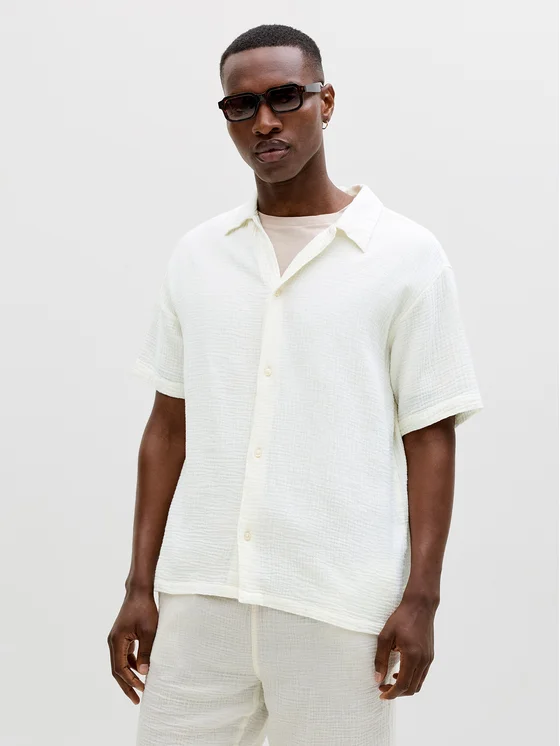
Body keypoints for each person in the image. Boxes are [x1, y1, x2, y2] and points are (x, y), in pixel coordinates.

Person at [107, 23, 484, 746]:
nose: (265, 122)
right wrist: (138, 585)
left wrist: (423, 597)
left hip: (336, 604)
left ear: (325, 101)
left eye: (285, 97)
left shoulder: (405, 256)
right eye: (240, 105)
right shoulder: (198, 256)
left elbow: (430, 432)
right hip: (200, 598)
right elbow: (168, 427)